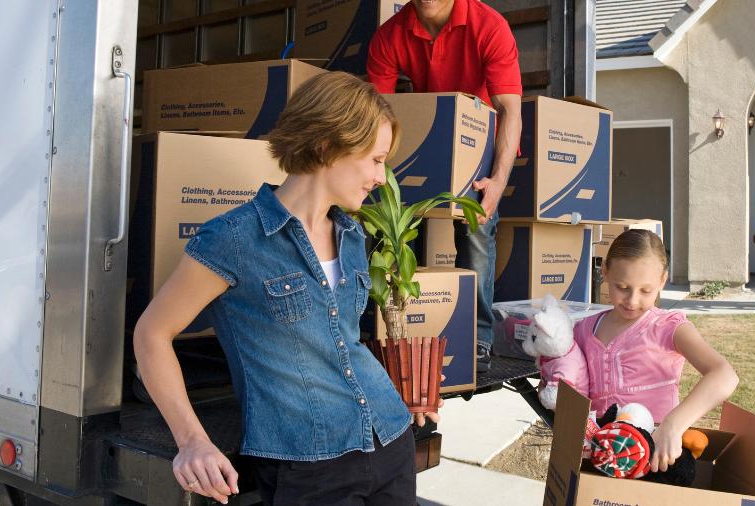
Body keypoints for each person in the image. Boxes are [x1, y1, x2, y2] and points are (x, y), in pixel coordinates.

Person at [133, 72, 437, 505]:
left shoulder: (352, 236)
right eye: (375, 159)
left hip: (389, 436)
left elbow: (341, 341)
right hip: (309, 466)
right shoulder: (233, 240)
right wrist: (192, 441)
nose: (382, 176)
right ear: (327, 145)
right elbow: (151, 334)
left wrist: (406, 390)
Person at [366, 0, 524, 372]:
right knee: (397, 227)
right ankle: (394, 330)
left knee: (477, 229)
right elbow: (374, 113)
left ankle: (479, 338)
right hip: (429, 138)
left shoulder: (489, 26)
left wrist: (498, 182)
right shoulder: (389, 35)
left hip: (480, 139)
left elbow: (510, 110)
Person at [574, 229, 738, 473]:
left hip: (656, 459)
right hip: (598, 459)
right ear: (605, 271)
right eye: (622, 287)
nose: (632, 300)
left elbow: (724, 375)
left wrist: (673, 425)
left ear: (662, 281)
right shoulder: (585, 328)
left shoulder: (668, 327)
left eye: (646, 291)